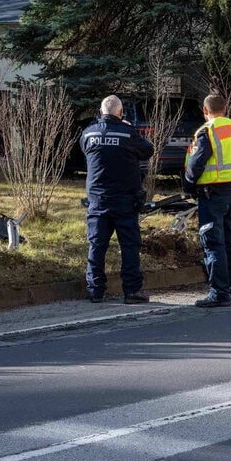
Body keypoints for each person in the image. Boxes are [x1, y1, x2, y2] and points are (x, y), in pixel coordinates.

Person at [80, 94, 154, 304]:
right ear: (120, 113)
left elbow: (86, 152)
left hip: (98, 199)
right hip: (125, 200)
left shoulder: (88, 133)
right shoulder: (128, 133)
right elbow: (148, 150)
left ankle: (95, 291)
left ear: (101, 112)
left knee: (97, 245)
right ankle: (131, 291)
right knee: (129, 245)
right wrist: (128, 128)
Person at [183, 94, 231, 307]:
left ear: (205, 110)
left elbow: (195, 165)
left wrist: (188, 187)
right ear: (225, 108)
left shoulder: (207, 132)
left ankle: (219, 293)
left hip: (212, 194)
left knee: (212, 242)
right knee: (230, 241)